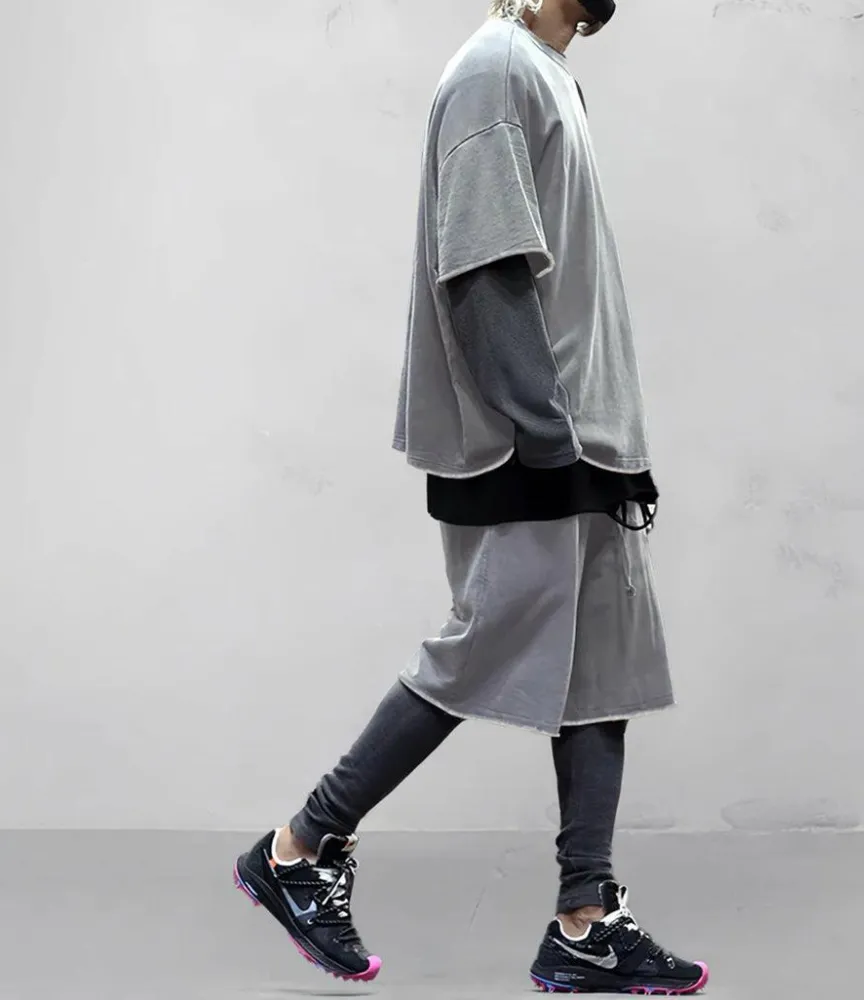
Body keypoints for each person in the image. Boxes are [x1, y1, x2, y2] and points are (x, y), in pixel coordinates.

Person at [234, 0, 709, 994]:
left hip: (586, 436)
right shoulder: (497, 70)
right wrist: (549, 436)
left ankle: (585, 921)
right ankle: (298, 848)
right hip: (534, 443)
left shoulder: (543, 71)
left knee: (601, 672)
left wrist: (609, 446)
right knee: (479, 648)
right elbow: (485, 268)